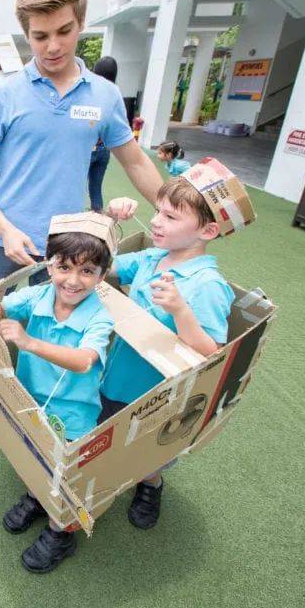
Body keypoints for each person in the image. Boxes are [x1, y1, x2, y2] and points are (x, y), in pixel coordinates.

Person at [0, 0, 163, 425]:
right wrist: (4, 228)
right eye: (39, 36)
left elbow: (134, 161)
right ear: (26, 35)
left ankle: (40, 399)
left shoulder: (105, 96)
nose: (52, 46)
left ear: (81, 23)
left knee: (56, 332)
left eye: (64, 31)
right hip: (4, 242)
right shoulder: (3, 92)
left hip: (69, 249)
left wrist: (173, 207)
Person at [99, 176, 239, 531]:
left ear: (207, 231)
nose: (157, 221)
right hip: (116, 377)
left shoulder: (208, 285)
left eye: (171, 217)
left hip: (158, 396)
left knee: (148, 451)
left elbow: (213, 355)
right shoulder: (153, 257)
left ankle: (151, 484)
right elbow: (101, 264)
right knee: (108, 436)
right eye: (157, 211)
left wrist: (180, 311)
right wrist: (109, 220)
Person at [0, 224, 115, 573]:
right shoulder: (39, 295)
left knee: (65, 479)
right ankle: (37, 497)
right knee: (34, 458)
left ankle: (60, 533)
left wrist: (29, 342)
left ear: (101, 276)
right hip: (30, 402)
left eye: (87, 271)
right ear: (49, 266)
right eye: (64, 267)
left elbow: (84, 361)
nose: (73, 280)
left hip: (73, 417)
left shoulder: (100, 315)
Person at [87, 56, 119, 211]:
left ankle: (73, 220)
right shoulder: (114, 96)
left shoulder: (90, 95)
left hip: (88, 149)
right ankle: (97, 214)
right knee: (96, 187)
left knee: (76, 187)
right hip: (104, 150)